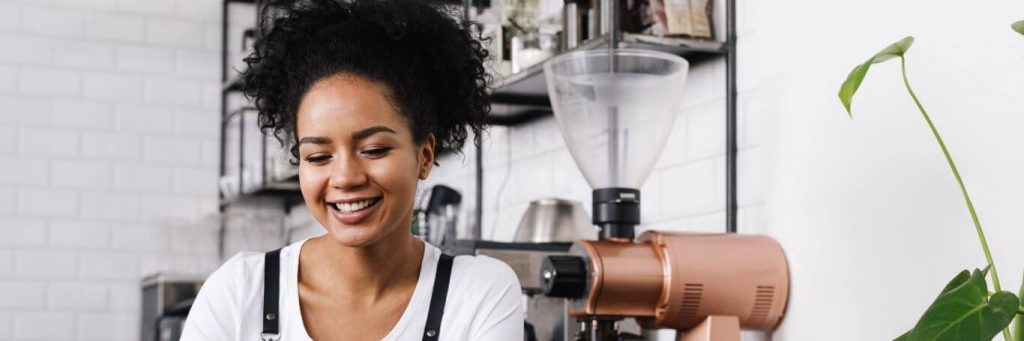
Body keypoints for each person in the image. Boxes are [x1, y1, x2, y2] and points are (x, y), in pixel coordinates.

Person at [181, 0, 523, 339]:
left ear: (425, 155)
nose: (345, 177)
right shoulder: (239, 294)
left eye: (373, 150)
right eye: (317, 156)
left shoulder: (477, 294)